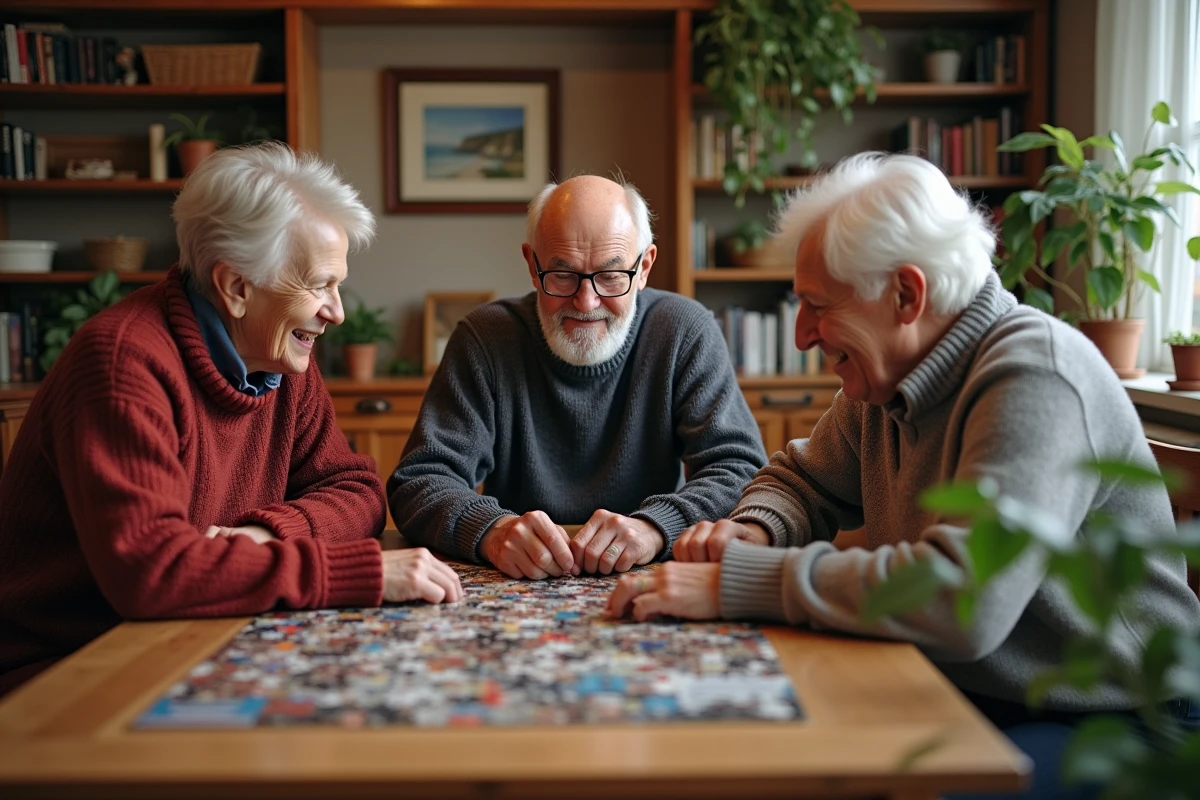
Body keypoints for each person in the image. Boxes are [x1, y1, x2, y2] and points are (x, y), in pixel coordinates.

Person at [607, 153, 1200, 798]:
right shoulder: (885, 381)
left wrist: (737, 583)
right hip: (969, 683)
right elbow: (803, 482)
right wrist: (752, 532)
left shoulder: (1035, 375)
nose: (803, 334)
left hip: (1114, 721)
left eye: (817, 306)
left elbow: (960, 598)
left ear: (906, 294)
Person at [0, 143, 461, 698]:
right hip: (74, 668)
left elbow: (357, 489)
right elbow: (152, 574)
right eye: (319, 284)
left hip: (202, 634)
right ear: (236, 287)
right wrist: (358, 574)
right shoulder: (122, 362)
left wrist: (267, 534)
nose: (336, 311)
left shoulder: (279, 358)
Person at [389, 175, 766, 579]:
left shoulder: (684, 331)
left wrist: (656, 527)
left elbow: (739, 469)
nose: (586, 302)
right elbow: (420, 480)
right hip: (519, 577)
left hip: (648, 574)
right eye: (563, 275)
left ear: (644, 268)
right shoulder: (485, 339)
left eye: (610, 276)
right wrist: (492, 530)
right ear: (532, 267)